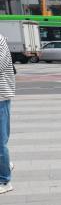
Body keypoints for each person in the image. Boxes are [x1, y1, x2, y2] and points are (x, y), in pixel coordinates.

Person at [0, 32, 15, 195]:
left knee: (0, 142)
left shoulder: (0, 40)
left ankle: (4, 180)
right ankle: (5, 164)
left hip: (0, 97)